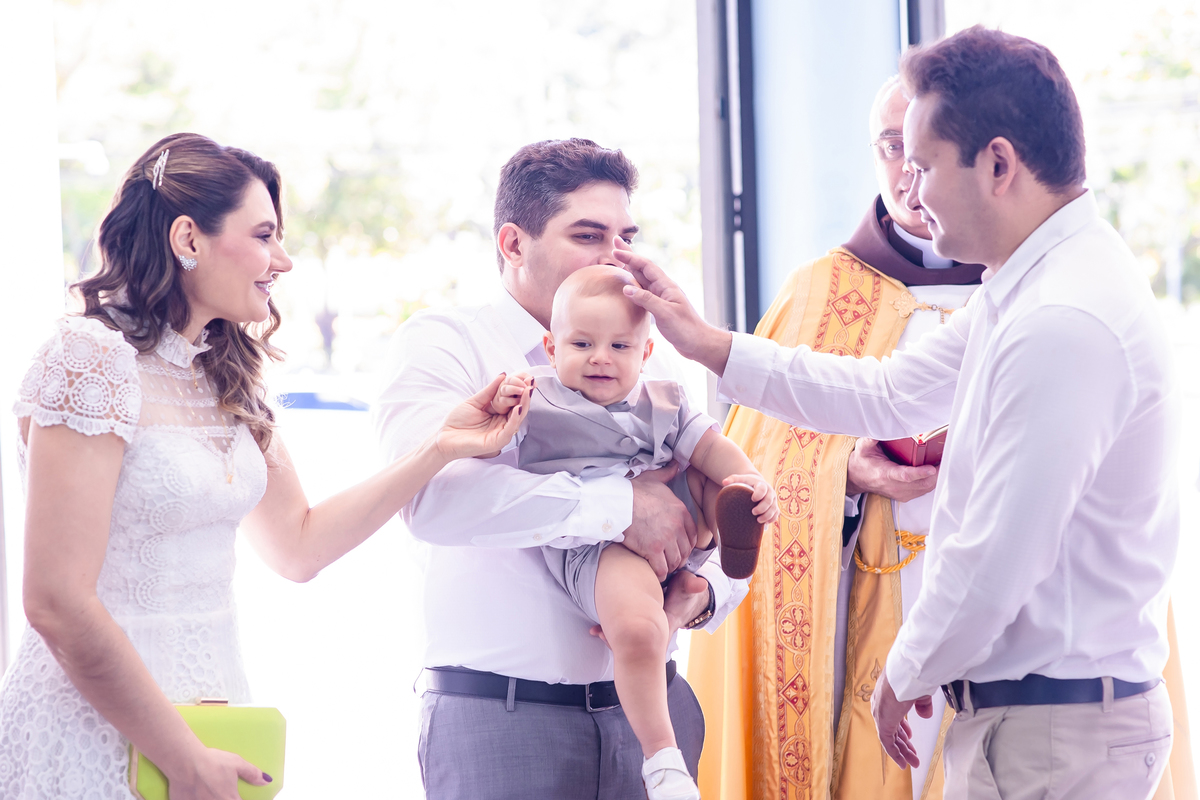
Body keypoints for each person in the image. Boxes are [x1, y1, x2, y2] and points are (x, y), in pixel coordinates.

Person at [619, 27, 1187, 800]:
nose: (910, 190)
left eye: (923, 164)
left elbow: (998, 552)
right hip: (1028, 715)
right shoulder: (1031, 284)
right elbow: (885, 393)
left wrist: (905, 671)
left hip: (1056, 728)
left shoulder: (1063, 316)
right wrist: (705, 342)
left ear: (997, 164)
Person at [0, 132, 530, 800]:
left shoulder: (226, 376)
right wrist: (182, 756)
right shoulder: (88, 357)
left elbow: (299, 547)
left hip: (215, 717)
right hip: (98, 729)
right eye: (264, 235)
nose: (283, 260)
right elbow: (56, 600)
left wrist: (441, 448)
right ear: (188, 239)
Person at [373, 138, 748, 799]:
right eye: (588, 235)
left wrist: (703, 595)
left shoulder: (647, 353)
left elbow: (712, 493)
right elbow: (431, 501)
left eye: (626, 237)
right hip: (503, 719)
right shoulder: (444, 342)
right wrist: (621, 506)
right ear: (513, 243)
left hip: (655, 713)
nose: (615, 257)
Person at [487, 265, 779, 799]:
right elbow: (488, 462)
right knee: (642, 634)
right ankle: (664, 762)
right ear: (551, 349)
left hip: (681, 519)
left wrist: (752, 482)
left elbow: (711, 444)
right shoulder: (538, 398)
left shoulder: (664, 398)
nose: (601, 357)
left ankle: (729, 528)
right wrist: (500, 405)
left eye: (619, 346)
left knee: (710, 468)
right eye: (582, 344)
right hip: (602, 546)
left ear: (645, 354)